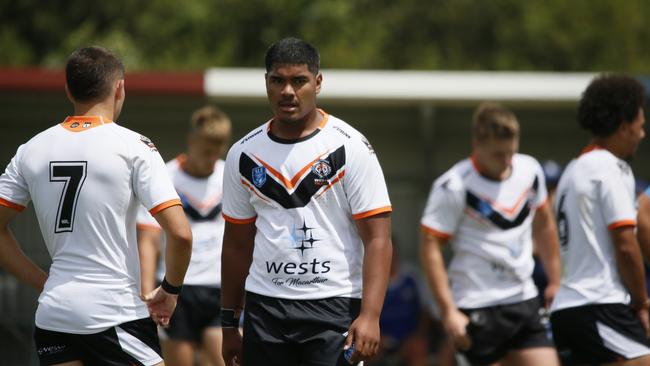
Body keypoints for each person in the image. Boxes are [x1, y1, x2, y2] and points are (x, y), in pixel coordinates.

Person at [0, 46, 192, 365]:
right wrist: (169, 290)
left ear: (68, 89)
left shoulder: (31, 149)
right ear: (119, 88)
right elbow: (181, 234)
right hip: (113, 312)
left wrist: (44, 282)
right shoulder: (134, 146)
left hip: (54, 314)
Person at [220, 37, 393, 366]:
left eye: (298, 81)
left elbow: (378, 238)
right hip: (265, 307)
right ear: (266, 83)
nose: (288, 91)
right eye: (278, 80)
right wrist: (229, 323)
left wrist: (370, 315)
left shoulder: (350, 147)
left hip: (334, 303)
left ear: (317, 82)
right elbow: (236, 245)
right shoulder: (242, 154)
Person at [420, 102, 561, 366]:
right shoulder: (453, 185)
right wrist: (449, 311)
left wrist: (555, 280)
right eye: (498, 154)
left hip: (524, 299)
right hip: (476, 304)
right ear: (477, 143)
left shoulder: (530, 171)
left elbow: (545, 223)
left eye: (511, 152)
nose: (507, 161)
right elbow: (430, 247)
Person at [550, 74, 650, 365]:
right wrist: (642, 302)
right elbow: (625, 244)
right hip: (598, 305)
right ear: (623, 126)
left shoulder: (573, 169)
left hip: (570, 307)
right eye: (640, 126)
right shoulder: (611, 169)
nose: (642, 134)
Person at [137, 105, 231, 366]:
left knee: (221, 357)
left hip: (218, 287)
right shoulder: (165, 176)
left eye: (216, 152)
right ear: (191, 141)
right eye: (205, 152)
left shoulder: (229, 175)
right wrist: (146, 295)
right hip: (176, 288)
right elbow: (148, 239)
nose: (210, 159)